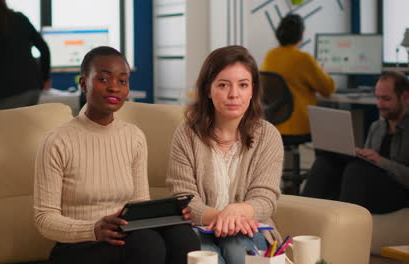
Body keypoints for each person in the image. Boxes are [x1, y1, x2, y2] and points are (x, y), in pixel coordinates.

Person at [34, 46, 199, 264]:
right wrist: (93, 229)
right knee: (147, 244)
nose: (114, 88)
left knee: (182, 234)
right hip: (78, 246)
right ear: (84, 84)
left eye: (122, 81)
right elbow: (44, 219)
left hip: (126, 238)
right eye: (104, 79)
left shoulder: (134, 137)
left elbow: (140, 204)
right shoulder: (57, 141)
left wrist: (169, 216)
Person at [166, 45, 284, 264]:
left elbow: (265, 198)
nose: (234, 94)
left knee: (237, 245)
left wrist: (238, 211)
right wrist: (223, 218)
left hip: (250, 230)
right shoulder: (186, 134)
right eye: (223, 85)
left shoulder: (268, 136)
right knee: (207, 256)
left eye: (243, 85)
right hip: (199, 229)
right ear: (208, 90)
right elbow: (183, 198)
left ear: (252, 91)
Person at [302, 71, 409, 214]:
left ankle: (346, 225)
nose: (379, 104)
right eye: (377, 98)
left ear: (405, 97)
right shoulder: (376, 127)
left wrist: (382, 162)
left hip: (399, 192)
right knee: (325, 163)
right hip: (372, 185)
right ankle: (305, 219)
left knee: (356, 170)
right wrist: (361, 155)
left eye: (386, 99)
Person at [261, 14, 335, 136]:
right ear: (301, 35)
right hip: (300, 126)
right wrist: (324, 73)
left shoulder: (270, 56)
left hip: (274, 124)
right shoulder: (303, 58)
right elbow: (328, 89)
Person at [0, 0, 51, 110]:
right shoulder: (21, 19)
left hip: (10, 90)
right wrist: (45, 78)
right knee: (27, 126)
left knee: (7, 126)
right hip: (33, 86)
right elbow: (44, 49)